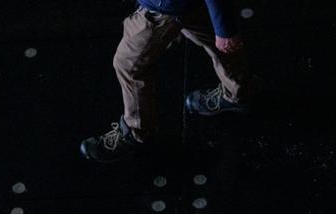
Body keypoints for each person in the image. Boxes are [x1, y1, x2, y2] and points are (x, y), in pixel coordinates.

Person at [80, 0, 255, 163]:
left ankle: (137, 132)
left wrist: (224, 29)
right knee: (218, 39)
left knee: (127, 64)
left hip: (164, 8)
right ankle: (239, 92)